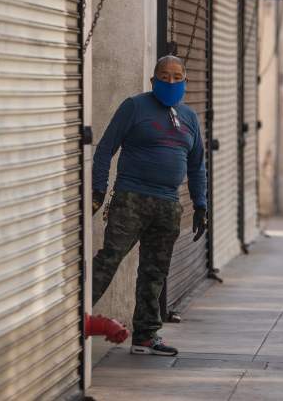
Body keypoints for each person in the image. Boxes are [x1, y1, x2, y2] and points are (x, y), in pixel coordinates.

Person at [91, 55, 208, 356]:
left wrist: (201, 205)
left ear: (185, 80)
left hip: (168, 204)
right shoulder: (135, 107)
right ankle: (68, 320)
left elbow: (197, 166)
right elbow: (106, 147)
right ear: (153, 79)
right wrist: (99, 189)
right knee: (109, 259)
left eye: (177, 76)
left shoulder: (189, 117)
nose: (171, 81)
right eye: (164, 76)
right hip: (132, 198)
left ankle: (145, 336)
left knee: (155, 271)